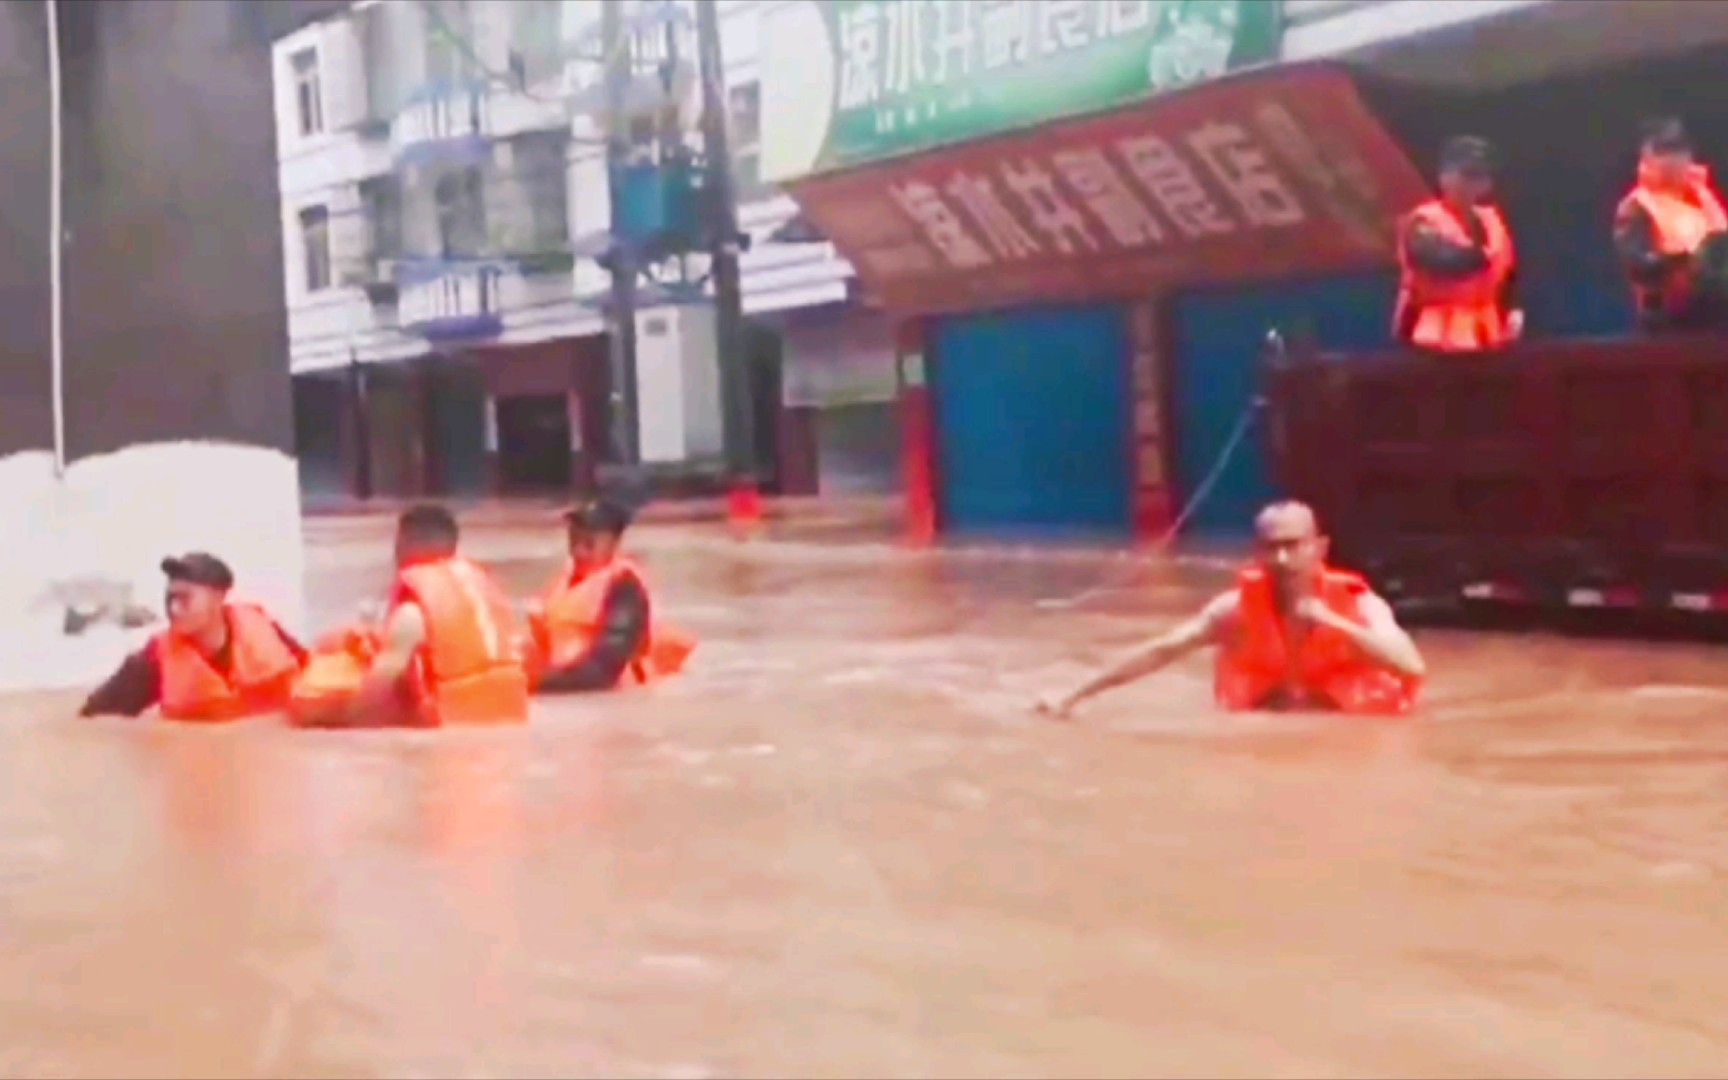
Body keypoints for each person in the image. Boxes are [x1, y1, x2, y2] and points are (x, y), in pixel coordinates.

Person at [1035, 502, 1425, 720]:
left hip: (1343, 735)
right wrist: (1071, 698)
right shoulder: (1233, 610)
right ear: (1258, 552)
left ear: (1319, 548)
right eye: (1271, 547)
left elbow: (1411, 666)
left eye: (1293, 545)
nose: (1282, 557)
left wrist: (1332, 621)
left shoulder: (1360, 605)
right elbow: (1162, 650)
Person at [291, 504, 529, 728]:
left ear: (402, 544)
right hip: (510, 715)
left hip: (450, 730)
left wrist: (340, 723)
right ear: (453, 546)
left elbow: (377, 688)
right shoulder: (489, 591)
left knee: (314, 704)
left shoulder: (412, 614)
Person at [80, 553, 306, 721]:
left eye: (185, 599)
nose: (175, 609)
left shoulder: (264, 629)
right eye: (170, 599)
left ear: (218, 597)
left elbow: (316, 681)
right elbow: (92, 723)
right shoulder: (152, 661)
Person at [525, 500, 695, 692]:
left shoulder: (625, 587)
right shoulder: (564, 581)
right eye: (573, 541)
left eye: (589, 544)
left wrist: (534, 685)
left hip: (613, 695)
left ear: (614, 544)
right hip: (563, 685)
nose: (578, 551)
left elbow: (604, 668)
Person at [1392, 135, 1522, 353]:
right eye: (1468, 175)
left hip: (1485, 335)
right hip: (1432, 340)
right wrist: (1480, 256)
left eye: (1481, 177)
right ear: (1445, 178)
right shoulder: (1424, 220)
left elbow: (1507, 273)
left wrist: (1514, 308)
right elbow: (1442, 260)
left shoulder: (1492, 221)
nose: (1474, 185)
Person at [1614, 117, 1728, 333]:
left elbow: (1722, 238)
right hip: (1665, 318)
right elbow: (1640, 264)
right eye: (1663, 153)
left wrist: (1704, 193)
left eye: (1679, 151)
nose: (1676, 160)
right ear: (1646, 160)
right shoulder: (1637, 205)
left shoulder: (1697, 201)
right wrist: (1685, 261)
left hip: (1712, 312)